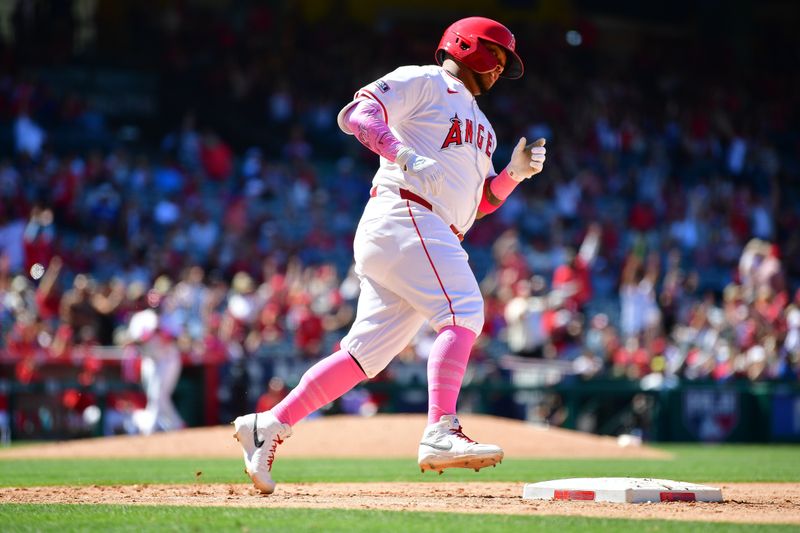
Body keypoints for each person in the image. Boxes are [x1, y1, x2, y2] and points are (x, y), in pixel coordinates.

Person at [233, 16, 547, 494]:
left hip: (424, 229)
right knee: (463, 311)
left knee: (364, 356)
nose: (502, 68)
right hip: (407, 215)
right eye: (497, 55)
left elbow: (476, 204)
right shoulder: (422, 78)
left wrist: (513, 175)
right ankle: (441, 430)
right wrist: (400, 152)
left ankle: (269, 424)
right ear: (466, 46)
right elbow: (359, 114)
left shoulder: (484, 126)